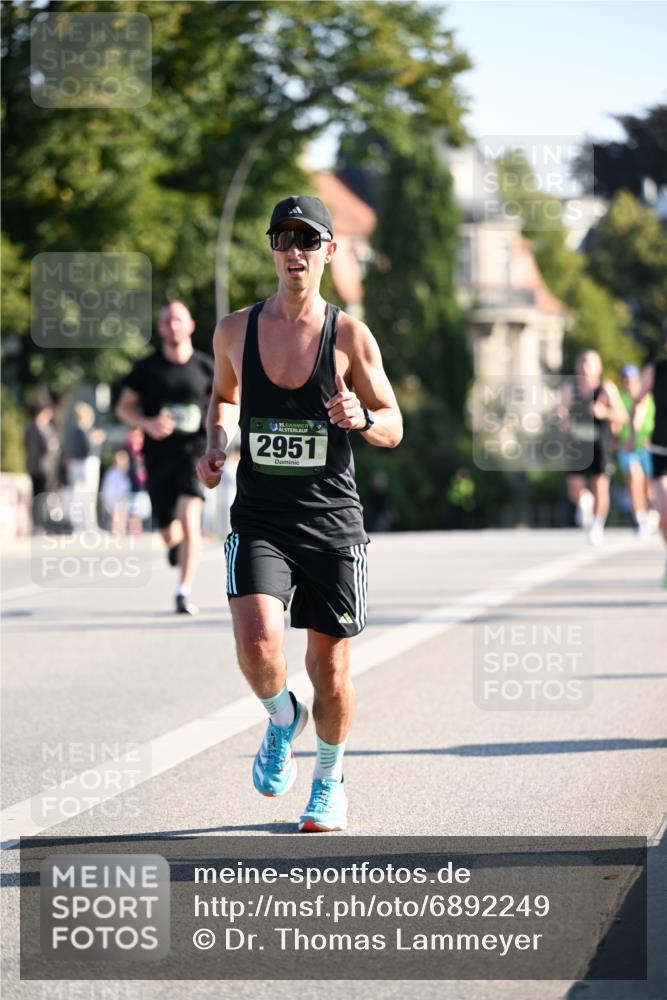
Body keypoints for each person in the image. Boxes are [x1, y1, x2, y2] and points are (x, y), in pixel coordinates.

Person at [196, 195, 402, 831]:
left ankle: (330, 778)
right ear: (272, 250)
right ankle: (283, 716)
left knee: (330, 670)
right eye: (284, 239)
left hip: (332, 524)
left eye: (308, 241)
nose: (295, 251)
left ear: (329, 252)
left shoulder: (349, 337)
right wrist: (215, 445)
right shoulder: (235, 330)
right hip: (260, 516)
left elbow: (394, 423)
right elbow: (223, 399)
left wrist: (363, 418)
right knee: (257, 643)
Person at [116, 301, 214, 614]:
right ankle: (175, 549)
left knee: (190, 520)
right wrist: (147, 423)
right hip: (158, 457)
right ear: (160, 328)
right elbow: (124, 407)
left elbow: (223, 404)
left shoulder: (205, 367)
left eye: (179, 320)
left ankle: (183, 591)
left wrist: (215, 433)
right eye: (168, 321)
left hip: (193, 453)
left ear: (191, 325)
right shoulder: (147, 368)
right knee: (169, 529)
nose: (173, 326)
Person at [562, 350, 627, 545]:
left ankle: (597, 526)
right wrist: (563, 420)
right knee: (574, 486)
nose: (585, 367)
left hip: (600, 443)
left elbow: (622, 416)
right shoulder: (570, 388)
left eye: (589, 363)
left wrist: (604, 412)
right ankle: (584, 501)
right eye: (582, 362)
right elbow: (560, 410)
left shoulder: (606, 389)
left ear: (598, 367)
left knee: (601, 485)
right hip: (578, 443)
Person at [632, 339, 667, 586]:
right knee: (665, 513)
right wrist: (636, 425)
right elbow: (639, 400)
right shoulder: (655, 370)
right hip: (660, 446)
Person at [616, 363, 655, 535]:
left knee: (649, 487)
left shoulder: (648, 397)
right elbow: (617, 421)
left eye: (631, 379)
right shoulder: (620, 399)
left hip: (647, 447)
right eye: (625, 379)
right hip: (628, 448)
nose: (628, 383)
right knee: (634, 478)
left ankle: (651, 512)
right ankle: (640, 518)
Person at [65, 402, 106, 531]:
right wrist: (96, 440)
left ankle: (80, 524)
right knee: (88, 494)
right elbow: (88, 448)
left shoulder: (75, 430)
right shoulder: (85, 431)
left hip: (78, 464)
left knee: (78, 494)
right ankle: (87, 524)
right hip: (86, 464)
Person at [24, 401, 60, 532]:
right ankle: (39, 524)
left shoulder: (39, 427)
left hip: (40, 465)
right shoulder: (38, 427)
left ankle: (41, 523)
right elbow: (50, 447)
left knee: (42, 495)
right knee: (39, 495)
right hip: (40, 466)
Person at [101, 450, 132, 536]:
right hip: (114, 496)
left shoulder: (124, 472)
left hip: (122, 496)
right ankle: (116, 529)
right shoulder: (112, 472)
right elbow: (109, 487)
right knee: (117, 512)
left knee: (123, 512)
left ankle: (121, 529)